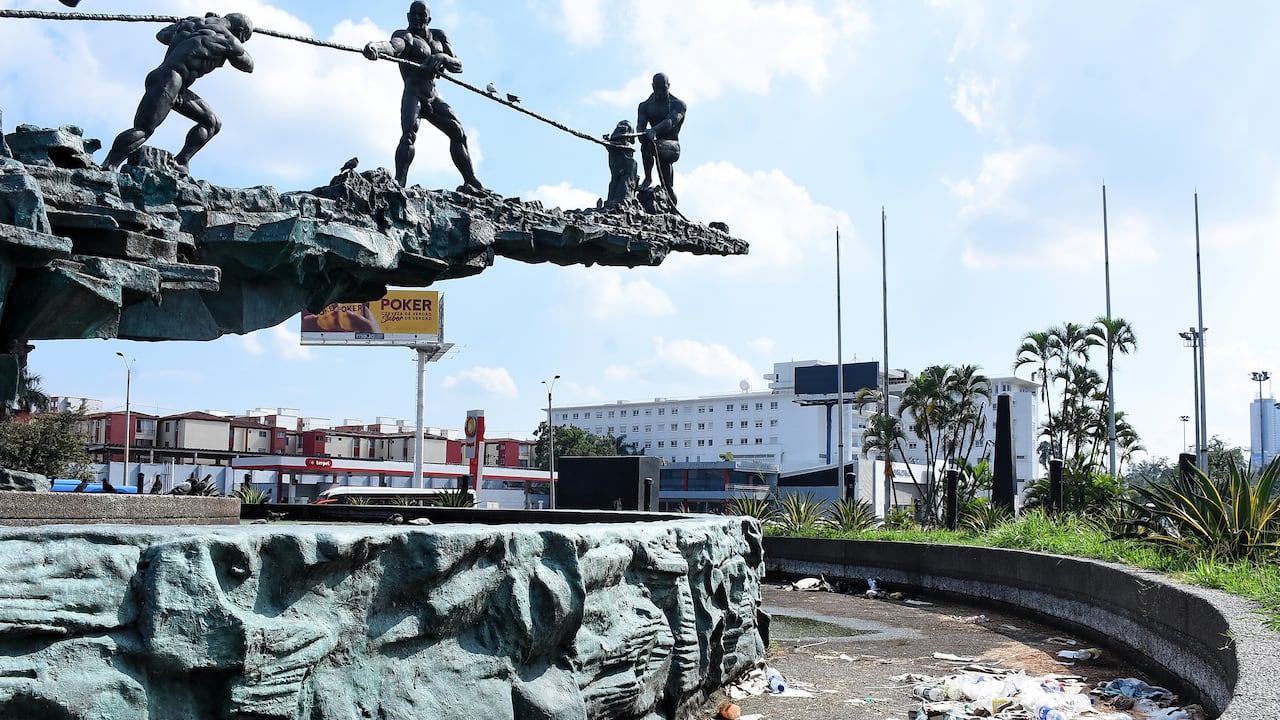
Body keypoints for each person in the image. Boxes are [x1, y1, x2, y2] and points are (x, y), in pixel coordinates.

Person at [101, 13, 254, 175]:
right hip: (170, 80)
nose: (243, 42)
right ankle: (109, 165)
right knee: (143, 129)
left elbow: (162, 35)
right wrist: (235, 44)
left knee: (212, 123)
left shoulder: (192, 23)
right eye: (245, 38)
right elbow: (248, 65)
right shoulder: (229, 40)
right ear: (242, 31)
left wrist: (185, 23)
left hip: (172, 83)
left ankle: (180, 162)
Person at [364, 1, 484, 194]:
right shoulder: (405, 36)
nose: (417, 18)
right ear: (408, 16)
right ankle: (400, 181)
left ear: (429, 18)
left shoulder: (439, 36)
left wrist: (443, 58)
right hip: (414, 94)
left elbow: (458, 65)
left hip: (432, 97)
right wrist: (375, 47)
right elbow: (393, 47)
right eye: (414, 14)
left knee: (458, 132)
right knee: (408, 135)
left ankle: (471, 180)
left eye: (422, 15)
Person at [636, 72, 686, 204]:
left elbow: (671, 121)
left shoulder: (678, 104)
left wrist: (654, 130)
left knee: (652, 146)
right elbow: (640, 125)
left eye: (663, 88)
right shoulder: (645, 106)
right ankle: (648, 178)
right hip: (654, 143)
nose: (659, 91)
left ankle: (667, 192)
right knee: (647, 144)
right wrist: (640, 134)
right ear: (652, 86)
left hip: (673, 146)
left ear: (668, 86)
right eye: (656, 88)